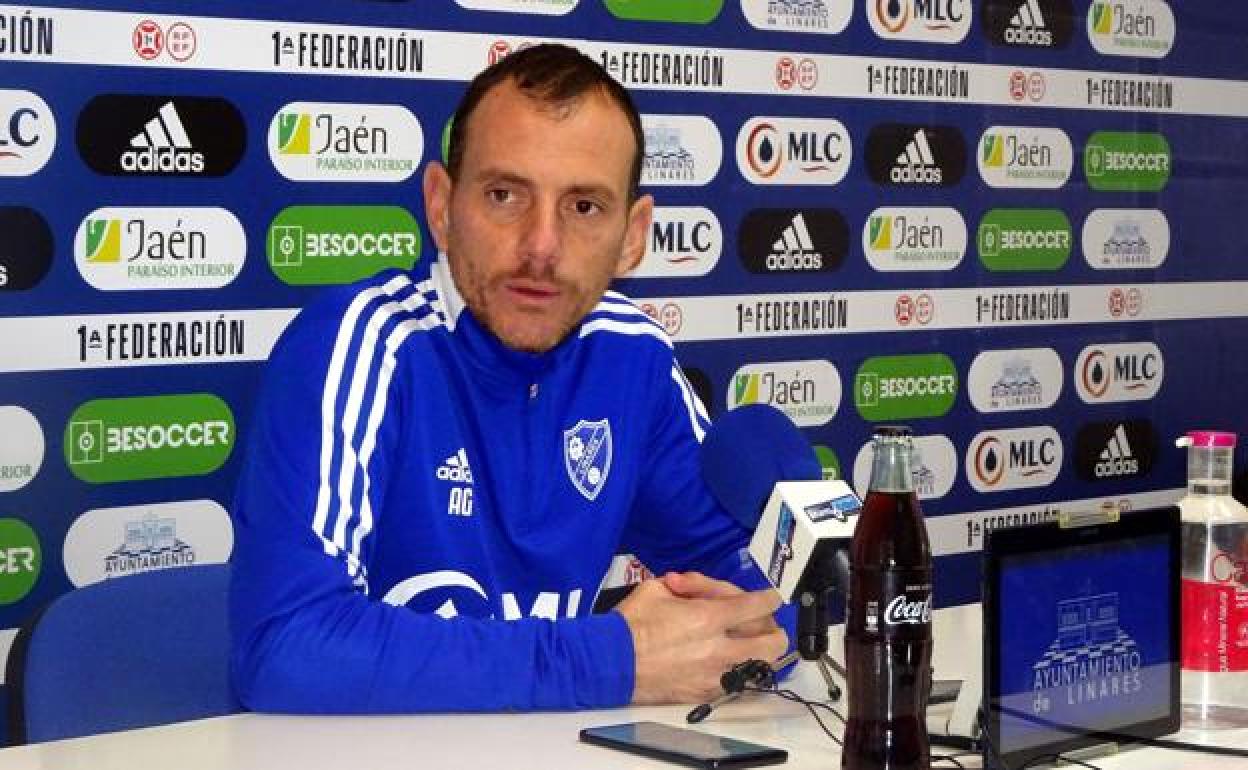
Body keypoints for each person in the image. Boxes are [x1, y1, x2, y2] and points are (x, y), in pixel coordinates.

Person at [230, 43, 791, 713]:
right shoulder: (362, 343)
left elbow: (763, 603)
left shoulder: (631, 357)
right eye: (504, 196)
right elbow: (286, 647)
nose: (541, 248)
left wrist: (741, 632)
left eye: (584, 207)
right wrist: (611, 661)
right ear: (441, 206)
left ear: (633, 234)